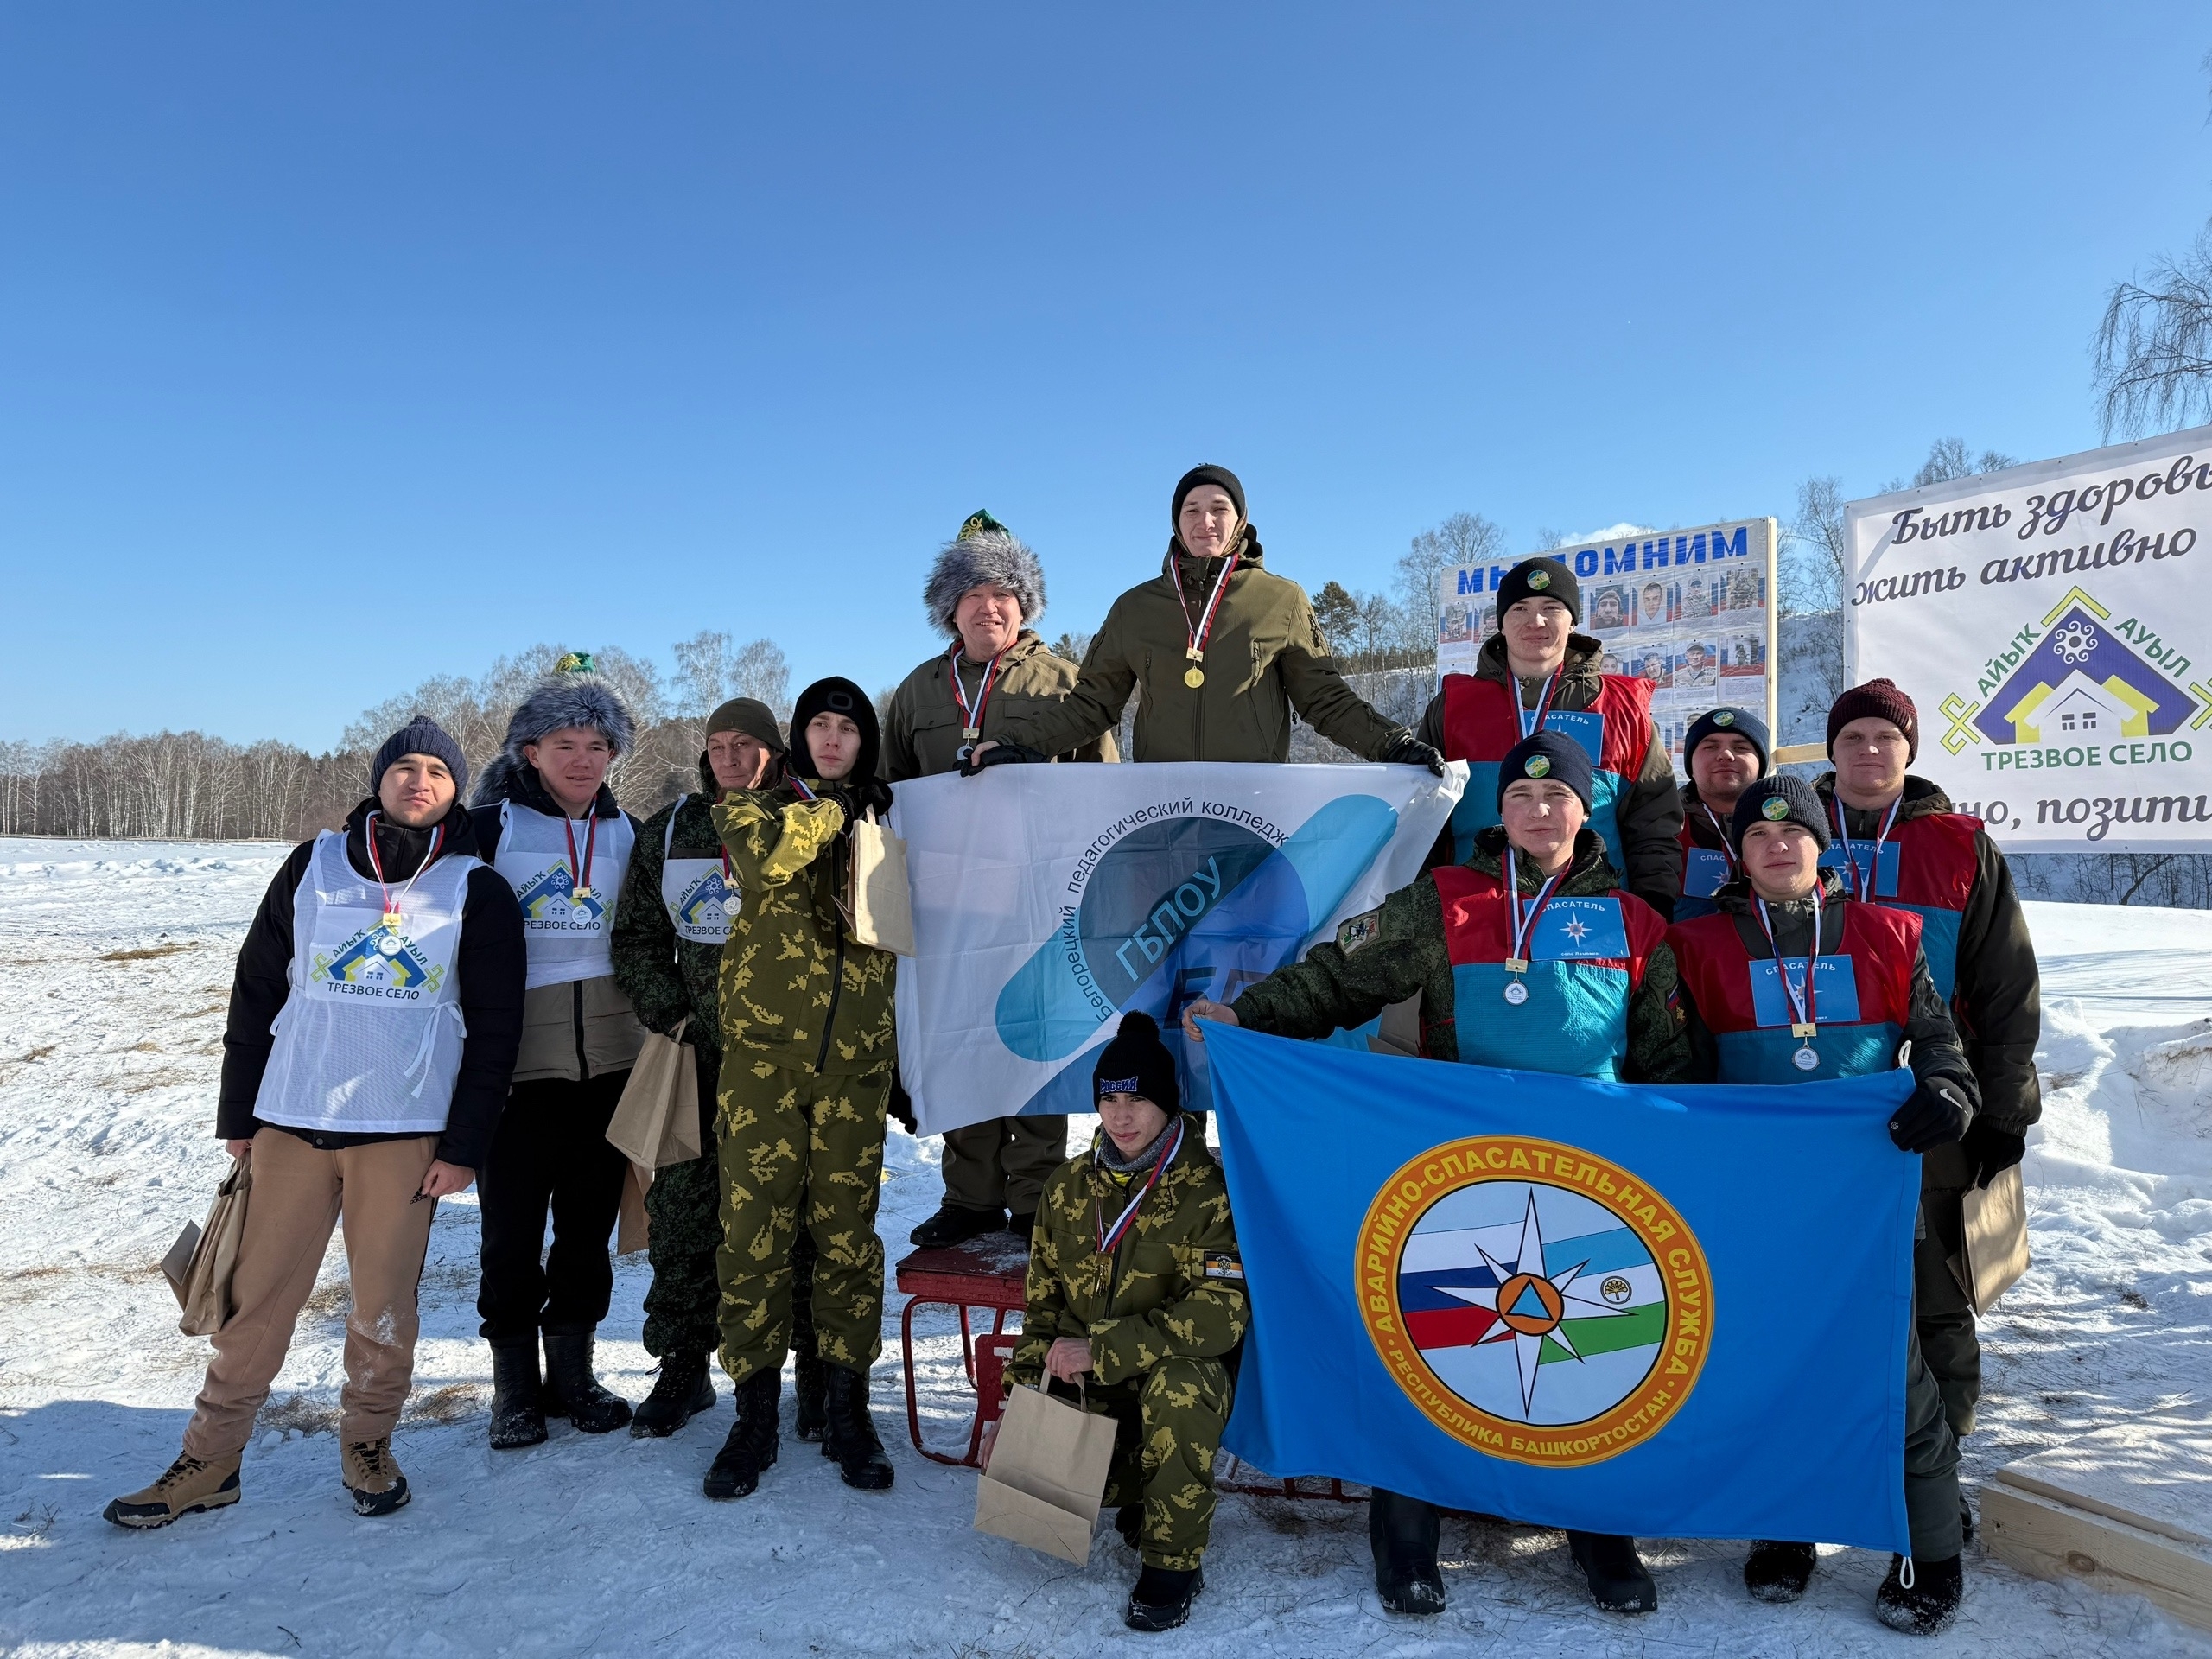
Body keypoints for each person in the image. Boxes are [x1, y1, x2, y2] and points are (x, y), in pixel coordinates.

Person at [1184, 731, 1690, 1618]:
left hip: (1592, 1184)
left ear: (1585, 810)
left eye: (1557, 797)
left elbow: (1667, 1062)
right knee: (1432, 1340)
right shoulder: (1446, 901)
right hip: (1460, 1170)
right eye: (1522, 799)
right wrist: (1248, 1015)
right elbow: (1341, 979)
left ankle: (1597, 1527)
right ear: (1501, 814)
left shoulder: (1637, 922)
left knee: (1586, 1356)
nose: (1539, 811)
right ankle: (1405, 1527)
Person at [106, 720, 526, 1528]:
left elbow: (498, 1027)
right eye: (405, 766)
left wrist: (466, 1145)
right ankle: (211, 1457)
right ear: (379, 779)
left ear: (456, 790)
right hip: (293, 1122)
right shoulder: (312, 865)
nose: (420, 780)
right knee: (253, 1301)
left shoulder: (478, 888)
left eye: (439, 770)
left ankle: (368, 1443)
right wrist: (241, 1114)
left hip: (403, 1136)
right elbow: (256, 989)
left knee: (382, 1306)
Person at [1665, 774, 1980, 1634]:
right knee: (1770, 1367)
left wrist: (1948, 1090)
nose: (1776, 847)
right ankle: (1786, 1528)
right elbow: (1674, 1071)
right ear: (1739, 853)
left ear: (1820, 846)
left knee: (1892, 1374)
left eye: (1793, 833)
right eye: (1758, 836)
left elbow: (1941, 1043)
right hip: (1754, 1201)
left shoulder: (1889, 933)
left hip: (1864, 1196)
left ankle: (1926, 1546)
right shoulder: (1696, 944)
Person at [1815, 680, 2041, 1462]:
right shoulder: (1791, 833)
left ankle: (1937, 1464)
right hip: (1818, 1104)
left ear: (1910, 750)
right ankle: (1826, 1453)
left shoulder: (1959, 843)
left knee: (1936, 1295)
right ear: (1831, 750)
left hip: (1936, 1102)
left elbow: (2007, 985)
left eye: (1885, 737)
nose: (1869, 752)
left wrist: (2005, 1111)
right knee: (1817, 1291)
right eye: (1853, 739)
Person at [883, 510, 1113, 1249]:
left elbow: (1103, 787)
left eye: (1003, 593)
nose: (989, 606)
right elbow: (889, 792)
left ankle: (1040, 1193)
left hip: (1040, 901)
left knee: (1034, 1038)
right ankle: (971, 1195)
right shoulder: (918, 690)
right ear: (949, 607)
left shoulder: (1064, 682)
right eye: (973, 593)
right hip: (948, 906)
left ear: (1025, 605)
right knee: (961, 1038)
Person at [983, 1014, 1248, 1634]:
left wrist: (1102, 1350)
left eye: (1138, 1099)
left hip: (1169, 1385)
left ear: (1168, 1102)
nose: (1122, 1115)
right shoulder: (1069, 1188)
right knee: (1059, 1442)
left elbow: (1220, 1314)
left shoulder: (1210, 1192)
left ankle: (1172, 1563)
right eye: (1109, 1098)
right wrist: (1014, 1410)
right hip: (1092, 1389)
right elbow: (1044, 1312)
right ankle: (1136, 1498)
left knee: (1182, 1384)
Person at [611, 697, 830, 1440]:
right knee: (684, 1209)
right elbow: (636, 935)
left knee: (791, 1210)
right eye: (718, 745)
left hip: (786, 1055)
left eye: (746, 745)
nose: (730, 758)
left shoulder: (805, 821)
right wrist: (670, 1013)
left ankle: (804, 1370)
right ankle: (683, 1365)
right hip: (699, 1054)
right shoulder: (675, 828)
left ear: (775, 751)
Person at [704, 677, 900, 1500]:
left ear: (866, 742)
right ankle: (754, 1414)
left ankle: (847, 1408)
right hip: (763, 1068)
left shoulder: (891, 817)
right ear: (797, 738)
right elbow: (766, 860)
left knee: (848, 1241)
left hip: (855, 1069)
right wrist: (833, 811)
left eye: (847, 728)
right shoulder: (754, 807)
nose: (832, 738)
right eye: (818, 725)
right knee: (754, 1237)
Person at [963, 464, 1440, 770]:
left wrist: (1393, 744)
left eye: (1219, 509)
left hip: (1255, 803)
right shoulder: (1135, 607)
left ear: (1240, 520)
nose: (1205, 521)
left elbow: (1325, 701)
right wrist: (1021, 744)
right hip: (1160, 804)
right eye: (1191, 510)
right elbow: (1093, 705)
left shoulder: (1282, 600)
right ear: (1177, 523)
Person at [471, 655, 647, 1447]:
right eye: (564, 742)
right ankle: (513, 1390)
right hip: (515, 1074)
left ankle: (572, 1377)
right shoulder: (487, 830)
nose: (582, 759)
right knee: (510, 1235)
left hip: (610, 1067)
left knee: (585, 1230)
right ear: (529, 753)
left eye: (597, 745)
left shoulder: (631, 833)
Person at [1415, 556, 1684, 913]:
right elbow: (1421, 822)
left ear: (1572, 620)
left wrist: (1652, 911)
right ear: (1502, 623)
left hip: (1594, 915)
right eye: (1519, 608)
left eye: (1551, 607)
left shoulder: (1623, 709)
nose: (1535, 621)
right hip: (1472, 910)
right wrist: (1425, 908)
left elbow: (1653, 826)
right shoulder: (1453, 707)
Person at [1674, 705, 1770, 921]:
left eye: (1740, 747)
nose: (1725, 755)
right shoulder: (1662, 824)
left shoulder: (1790, 826)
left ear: (1761, 762)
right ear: (1690, 761)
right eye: (1710, 747)